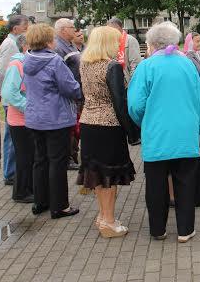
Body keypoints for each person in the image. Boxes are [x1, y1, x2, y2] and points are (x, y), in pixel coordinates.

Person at [128, 22, 200, 242]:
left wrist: (145, 121)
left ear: (153, 43)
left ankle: (158, 229)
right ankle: (184, 230)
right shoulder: (188, 65)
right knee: (185, 183)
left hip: (157, 135)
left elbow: (135, 104)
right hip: (185, 134)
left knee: (155, 184)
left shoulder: (146, 67)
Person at [76, 26, 137, 238]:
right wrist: (132, 132)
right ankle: (109, 222)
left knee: (98, 175)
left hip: (88, 122)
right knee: (109, 176)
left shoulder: (84, 63)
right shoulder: (112, 67)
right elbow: (119, 103)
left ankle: (103, 216)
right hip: (109, 125)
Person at [23, 23, 82, 219]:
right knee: (57, 162)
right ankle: (59, 206)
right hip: (56, 118)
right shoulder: (54, 61)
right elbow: (70, 88)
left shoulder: (27, 59)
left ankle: (40, 202)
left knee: (40, 160)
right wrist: (80, 90)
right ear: (49, 41)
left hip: (34, 118)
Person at [0, 14, 29, 185]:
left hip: (14, 98)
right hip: (12, 100)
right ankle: (10, 173)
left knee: (13, 138)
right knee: (11, 138)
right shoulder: (10, 45)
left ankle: (12, 171)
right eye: (25, 27)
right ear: (15, 29)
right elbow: (2, 72)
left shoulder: (13, 42)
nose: (27, 30)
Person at [0, 34, 33, 203]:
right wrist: (29, 107)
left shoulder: (28, 63)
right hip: (20, 120)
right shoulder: (16, 64)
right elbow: (9, 93)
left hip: (29, 119)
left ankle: (29, 188)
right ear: (26, 46)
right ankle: (20, 193)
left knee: (30, 156)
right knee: (24, 157)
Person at [54, 18, 82, 170]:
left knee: (75, 128)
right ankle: (68, 158)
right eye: (72, 27)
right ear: (63, 30)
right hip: (68, 95)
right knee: (70, 128)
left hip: (76, 92)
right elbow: (60, 75)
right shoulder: (58, 47)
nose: (74, 30)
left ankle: (73, 155)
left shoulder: (70, 45)